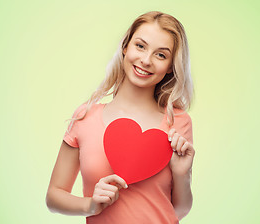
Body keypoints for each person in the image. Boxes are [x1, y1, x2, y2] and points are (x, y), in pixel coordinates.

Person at [46, 11, 195, 224]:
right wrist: (91, 205)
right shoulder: (85, 116)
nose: (145, 60)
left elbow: (178, 210)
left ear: (171, 66)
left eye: (160, 55)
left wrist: (183, 174)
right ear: (125, 46)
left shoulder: (178, 122)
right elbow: (54, 196)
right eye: (140, 46)